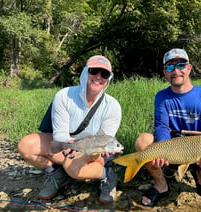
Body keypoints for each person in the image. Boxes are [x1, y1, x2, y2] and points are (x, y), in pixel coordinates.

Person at [17, 55, 122, 203]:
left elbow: (106, 138)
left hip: (92, 148)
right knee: (26, 145)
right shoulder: (63, 96)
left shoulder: (113, 106)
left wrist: (101, 150)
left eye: (104, 74)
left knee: (71, 167)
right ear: (86, 72)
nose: (98, 76)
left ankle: (107, 175)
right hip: (67, 143)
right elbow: (59, 134)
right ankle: (56, 175)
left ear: (108, 79)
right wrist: (69, 147)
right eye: (94, 71)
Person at [135, 48, 201, 206]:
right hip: (173, 147)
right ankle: (161, 184)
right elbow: (162, 127)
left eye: (181, 65)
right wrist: (161, 151)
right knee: (142, 141)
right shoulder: (162, 96)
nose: (176, 71)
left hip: (199, 148)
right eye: (170, 67)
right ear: (165, 72)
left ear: (189, 68)